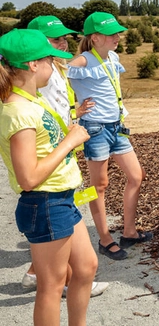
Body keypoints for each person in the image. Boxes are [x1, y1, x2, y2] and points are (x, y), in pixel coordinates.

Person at [0, 28, 97, 326]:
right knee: (52, 286)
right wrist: (70, 142)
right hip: (45, 202)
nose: (54, 65)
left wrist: (65, 136)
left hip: (61, 199)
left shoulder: (32, 100)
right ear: (32, 65)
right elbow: (28, 177)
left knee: (85, 268)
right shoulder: (18, 112)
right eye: (50, 60)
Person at [20, 15, 108, 296]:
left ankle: (42, 274)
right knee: (59, 215)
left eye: (64, 37)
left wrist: (74, 113)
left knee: (67, 209)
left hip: (67, 148)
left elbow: (59, 107)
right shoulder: (38, 78)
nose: (63, 42)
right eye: (55, 39)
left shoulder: (56, 70)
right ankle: (62, 279)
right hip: (54, 157)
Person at [68, 12, 153, 261]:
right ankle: (105, 240)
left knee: (137, 176)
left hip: (117, 127)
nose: (118, 37)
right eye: (112, 33)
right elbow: (56, 87)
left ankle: (129, 232)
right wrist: (74, 110)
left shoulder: (113, 57)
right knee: (99, 186)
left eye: (118, 33)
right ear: (95, 38)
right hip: (94, 129)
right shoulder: (81, 62)